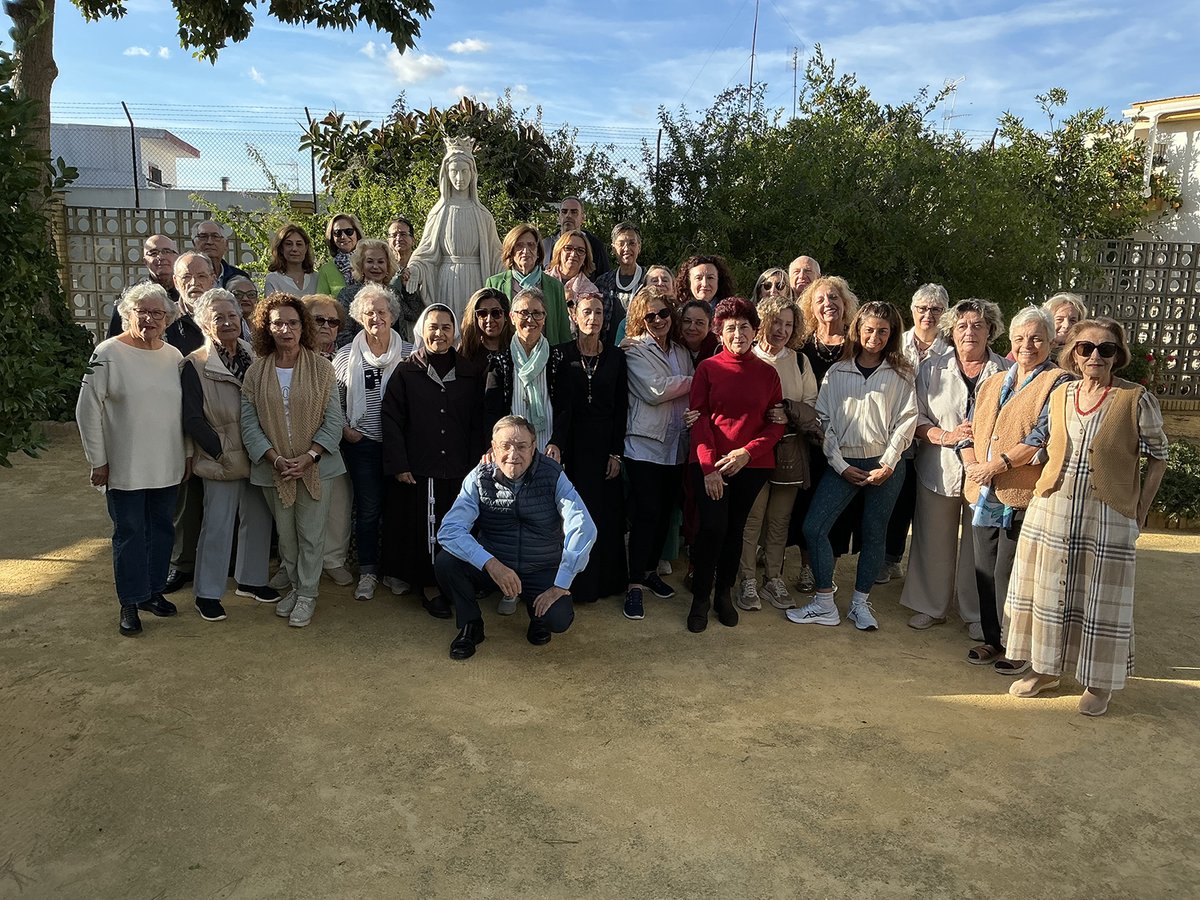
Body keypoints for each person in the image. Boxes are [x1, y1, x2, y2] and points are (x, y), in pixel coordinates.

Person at [1004, 318, 1167, 717]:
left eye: (1105, 349)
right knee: (1049, 591)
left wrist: (1140, 510)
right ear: (1074, 354)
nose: (1095, 356)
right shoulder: (1062, 394)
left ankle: (1099, 682)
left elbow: (1158, 456)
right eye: (1086, 348)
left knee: (1101, 597)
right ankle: (1045, 669)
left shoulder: (1135, 398)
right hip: (1053, 508)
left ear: (1118, 355)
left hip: (1108, 514)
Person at [789, 301, 917, 631]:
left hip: (884, 467)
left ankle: (860, 603)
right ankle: (824, 602)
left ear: (892, 335)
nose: (875, 336)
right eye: (869, 329)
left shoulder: (901, 373)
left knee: (875, 534)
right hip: (843, 463)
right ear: (857, 331)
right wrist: (840, 464)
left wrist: (888, 464)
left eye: (883, 331)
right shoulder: (837, 371)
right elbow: (824, 421)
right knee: (814, 527)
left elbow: (907, 421)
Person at [962, 305, 1071, 674]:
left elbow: (1044, 435)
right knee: (984, 569)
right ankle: (993, 639)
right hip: (984, 493)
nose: (1028, 345)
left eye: (1037, 338)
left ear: (1051, 341)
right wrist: (972, 463)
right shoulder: (993, 381)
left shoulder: (1058, 382)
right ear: (1011, 341)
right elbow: (970, 428)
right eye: (1021, 338)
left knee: (1014, 572)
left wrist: (999, 464)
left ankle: (1018, 646)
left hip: (1021, 490)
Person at [435, 416, 597, 660]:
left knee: (559, 618)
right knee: (447, 562)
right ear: (493, 447)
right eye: (505, 446)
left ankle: (539, 617)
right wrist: (490, 563)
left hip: (540, 566)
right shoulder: (479, 477)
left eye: (521, 446)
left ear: (533, 448)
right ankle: (471, 624)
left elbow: (583, 526)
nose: (513, 454)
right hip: (496, 565)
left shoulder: (553, 474)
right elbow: (450, 530)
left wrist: (560, 585)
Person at [76, 282, 186, 636]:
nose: (151, 318)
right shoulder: (107, 353)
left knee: (161, 530)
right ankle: (130, 601)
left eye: (158, 313)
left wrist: (184, 455)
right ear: (128, 315)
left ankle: (153, 592)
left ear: (168, 319)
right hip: (124, 463)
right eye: (143, 312)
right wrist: (98, 460)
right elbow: (87, 410)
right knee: (129, 533)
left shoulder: (172, 356)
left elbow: (182, 412)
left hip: (167, 462)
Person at [899, 299, 1008, 638]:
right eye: (962, 326)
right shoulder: (932, 367)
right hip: (939, 465)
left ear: (991, 330)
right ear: (951, 332)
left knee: (980, 544)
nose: (969, 332)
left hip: (988, 473)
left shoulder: (1006, 371)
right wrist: (945, 436)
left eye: (977, 325)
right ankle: (930, 605)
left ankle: (976, 612)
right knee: (932, 537)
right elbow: (914, 416)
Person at [241, 293, 346, 628]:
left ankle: (308, 595)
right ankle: (298, 585)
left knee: (311, 534)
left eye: (293, 322)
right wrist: (275, 459)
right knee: (286, 535)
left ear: (303, 327)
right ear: (266, 328)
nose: (285, 329)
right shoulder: (256, 372)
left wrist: (310, 456)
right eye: (277, 323)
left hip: (316, 466)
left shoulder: (322, 368)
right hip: (275, 468)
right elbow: (249, 423)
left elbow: (333, 420)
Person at [686, 297, 784, 632]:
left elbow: (775, 425)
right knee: (711, 528)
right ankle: (701, 596)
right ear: (720, 332)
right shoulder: (708, 369)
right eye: (731, 328)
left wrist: (747, 453)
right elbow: (698, 421)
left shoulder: (768, 374)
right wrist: (709, 468)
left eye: (744, 326)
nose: (738, 333)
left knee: (735, 530)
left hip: (751, 466)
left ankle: (723, 594)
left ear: (755, 331)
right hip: (710, 463)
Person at [382, 303, 486, 619]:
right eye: (433, 327)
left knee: (458, 528)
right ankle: (429, 584)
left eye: (445, 327)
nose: (439, 333)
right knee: (427, 529)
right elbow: (391, 418)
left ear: (454, 332)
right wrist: (400, 464)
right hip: (422, 466)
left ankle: (454, 580)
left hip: (458, 467)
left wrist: (476, 465)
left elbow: (477, 422)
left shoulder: (469, 373)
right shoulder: (407, 371)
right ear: (422, 331)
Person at [181, 288, 277, 621]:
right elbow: (192, 417)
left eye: (232, 315)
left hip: (257, 453)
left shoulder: (256, 355)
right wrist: (220, 451)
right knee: (218, 525)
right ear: (205, 324)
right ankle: (207, 592)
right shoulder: (194, 364)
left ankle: (251, 581)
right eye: (218, 317)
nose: (227, 322)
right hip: (221, 457)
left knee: (259, 518)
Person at [736, 296, 819, 612]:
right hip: (751, 454)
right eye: (776, 322)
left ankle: (773, 578)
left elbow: (813, 407)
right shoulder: (745, 356)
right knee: (751, 519)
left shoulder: (799, 361)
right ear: (762, 323)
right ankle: (746, 580)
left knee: (779, 521)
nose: (782, 330)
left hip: (788, 452)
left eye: (788, 324)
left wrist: (790, 412)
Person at [332, 284, 412, 600]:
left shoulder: (409, 353)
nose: (376, 317)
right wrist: (345, 430)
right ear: (359, 317)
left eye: (382, 311)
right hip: (362, 444)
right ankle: (367, 571)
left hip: (400, 446)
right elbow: (333, 404)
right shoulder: (344, 356)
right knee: (368, 509)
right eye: (369, 312)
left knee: (398, 510)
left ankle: (394, 571)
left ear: (392, 315)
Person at [550, 293, 628, 604]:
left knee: (603, 516)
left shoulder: (616, 357)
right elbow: (557, 406)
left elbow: (622, 406)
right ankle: (573, 584)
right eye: (587, 311)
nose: (592, 318)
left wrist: (616, 452)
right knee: (573, 517)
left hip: (604, 447)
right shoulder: (560, 355)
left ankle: (603, 583)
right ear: (575, 316)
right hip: (572, 446)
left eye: (598, 312)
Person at [621, 288, 694, 620]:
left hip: (675, 445)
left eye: (663, 313)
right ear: (641, 318)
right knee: (646, 513)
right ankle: (634, 584)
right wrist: (699, 378)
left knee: (665, 514)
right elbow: (655, 391)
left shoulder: (681, 351)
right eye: (650, 315)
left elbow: (680, 393)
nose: (658, 320)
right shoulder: (633, 349)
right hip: (644, 445)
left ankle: (649, 572)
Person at [878, 283, 952, 584]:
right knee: (898, 499)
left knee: (928, 509)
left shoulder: (951, 349)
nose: (928, 315)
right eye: (922, 309)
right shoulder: (897, 343)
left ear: (944, 313)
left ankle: (924, 573)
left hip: (936, 437)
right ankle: (890, 557)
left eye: (935, 310)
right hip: (900, 435)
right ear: (912, 310)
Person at [790, 275, 860, 592]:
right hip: (809, 439)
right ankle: (807, 568)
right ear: (810, 307)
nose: (827, 304)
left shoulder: (857, 345)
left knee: (838, 509)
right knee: (806, 504)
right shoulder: (802, 346)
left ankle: (825, 572)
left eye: (833, 298)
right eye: (819, 300)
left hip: (847, 439)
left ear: (845, 304)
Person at [407, 137, 505, 324]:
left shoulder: (483, 214)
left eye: (464, 171)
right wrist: (416, 268)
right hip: (447, 281)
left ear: (472, 173)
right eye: (454, 171)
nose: (459, 178)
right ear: (446, 173)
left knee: (474, 328)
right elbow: (426, 252)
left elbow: (496, 255)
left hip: (477, 279)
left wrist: (514, 269)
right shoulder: (439, 212)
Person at [162, 250, 214, 595]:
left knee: (223, 498)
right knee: (186, 498)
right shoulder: (165, 322)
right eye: (186, 278)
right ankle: (182, 564)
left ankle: (222, 561)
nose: (194, 284)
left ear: (213, 278)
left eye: (201, 277)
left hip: (224, 425)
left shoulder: (226, 314)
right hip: (179, 425)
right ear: (175, 282)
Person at [297, 293, 355, 588]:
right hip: (297, 445)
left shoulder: (346, 356)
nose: (326, 326)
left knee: (338, 505)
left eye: (333, 321)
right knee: (298, 508)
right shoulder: (290, 357)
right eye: (318, 319)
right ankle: (292, 563)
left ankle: (333, 559)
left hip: (339, 445)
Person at [483, 288, 565, 454]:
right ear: (512, 318)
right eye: (524, 313)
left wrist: (557, 442)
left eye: (537, 313)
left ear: (544, 318)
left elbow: (565, 407)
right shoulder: (500, 361)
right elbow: (491, 411)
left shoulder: (557, 359)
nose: (530, 319)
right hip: (512, 451)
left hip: (548, 447)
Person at [484, 224, 572, 344]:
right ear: (511, 251)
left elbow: (563, 332)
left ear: (538, 252)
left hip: (546, 355)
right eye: (519, 246)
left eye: (531, 245)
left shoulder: (555, 286)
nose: (525, 251)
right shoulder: (495, 283)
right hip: (508, 354)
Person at [106, 234, 179, 338]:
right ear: (145, 261)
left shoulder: (188, 293)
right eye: (153, 253)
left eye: (167, 251)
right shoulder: (130, 297)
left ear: (178, 257)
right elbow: (114, 340)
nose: (161, 257)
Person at [335, 238, 398, 348]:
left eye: (381, 262)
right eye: (370, 261)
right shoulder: (348, 295)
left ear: (388, 266)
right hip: (359, 356)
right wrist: (371, 351)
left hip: (396, 354)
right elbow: (342, 335)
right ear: (361, 265)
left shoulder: (394, 293)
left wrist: (408, 288)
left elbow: (414, 313)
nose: (375, 266)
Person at [593, 222, 646, 344]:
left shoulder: (648, 281)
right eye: (621, 244)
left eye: (632, 243)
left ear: (639, 247)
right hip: (608, 349)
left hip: (640, 349)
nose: (627, 248)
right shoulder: (602, 283)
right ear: (613, 249)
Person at [539, 196, 610, 278]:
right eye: (564, 211)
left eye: (574, 212)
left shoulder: (595, 246)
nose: (568, 215)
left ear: (582, 218)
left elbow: (604, 279)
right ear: (559, 216)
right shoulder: (546, 245)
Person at [386, 216, 426, 343]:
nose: (398, 238)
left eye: (403, 234)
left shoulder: (424, 267)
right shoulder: (383, 270)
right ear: (388, 240)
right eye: (394, 235)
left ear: (413, 240)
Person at [545, 229, 601, 316]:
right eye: (568, 248)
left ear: (585, 258)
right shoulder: (542, 280)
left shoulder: (590, 291)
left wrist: (570, 302)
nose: (573, 254)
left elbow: (586, 324)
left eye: (580, 250)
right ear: (559, 252)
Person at [459, 287, 513, 367]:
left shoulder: (516, 349)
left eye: (496, 313)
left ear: (505, 316)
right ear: (474, 317)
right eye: (482, 314)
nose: (489, 319)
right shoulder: (466, 352)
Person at [315, 213, 363, 297]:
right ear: (332, 238)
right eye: (337, 233)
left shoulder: (370, 262)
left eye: (349, 231)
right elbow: (321, 302)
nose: (343, 236)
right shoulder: (326, 270)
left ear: (357, 233)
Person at [264, 222, 318, 297]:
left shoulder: (316, 278)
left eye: (299, 244)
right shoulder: (273, 280)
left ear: (306, 248)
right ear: (281, 249)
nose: (294, 249)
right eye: (289, 244)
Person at [192, 220, 250, 288]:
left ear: (226, 244)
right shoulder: (187, 276)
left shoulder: (239, 276)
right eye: (203, 236)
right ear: (194, 244)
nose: (209, 242)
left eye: (215, 236)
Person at [1043, 292, 1089, 356]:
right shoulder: (1036, 354)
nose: (1066, 325)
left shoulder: (1086, 354)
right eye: (1059, 319)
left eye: (1073, 320)